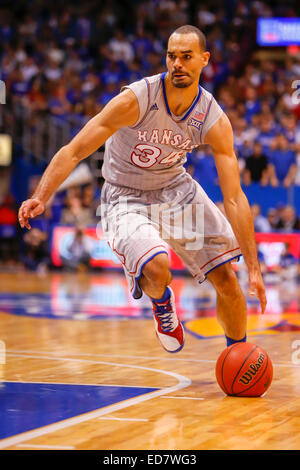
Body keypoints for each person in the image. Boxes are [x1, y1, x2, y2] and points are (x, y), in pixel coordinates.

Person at [18, 25, 266, 353]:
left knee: (228, 281)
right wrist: (41, 195)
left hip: (176, 190)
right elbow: (75, 149)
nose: (177, 63)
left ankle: (239, 354)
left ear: (204, 60)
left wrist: (254, 267)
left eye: (186, 57)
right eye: (171, 56)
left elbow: (234, 197)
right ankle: (162, 303)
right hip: (125, 194)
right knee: (157, 265)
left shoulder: (213, 119)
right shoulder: (137, 99)